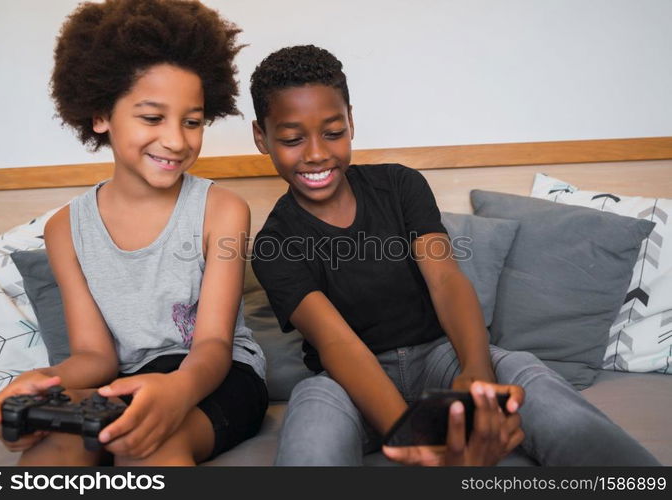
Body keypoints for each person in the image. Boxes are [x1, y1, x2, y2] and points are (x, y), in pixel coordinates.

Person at [248, 45, 661, 466]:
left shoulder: (400, 185)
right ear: (262, 138)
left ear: (351, 121)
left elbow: (445, 281)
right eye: (292, 139)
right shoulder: (274, 244)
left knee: (524, 372)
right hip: (351, 381)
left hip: (439, 357)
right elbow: (337, 343)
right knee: (312, 403)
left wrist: (476, 371)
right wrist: (417, 437)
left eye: (333, 132)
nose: (316, 153)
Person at [0, 0, 267, 466]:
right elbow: (94, 356)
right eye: (153, 118)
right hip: (124, 379)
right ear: (101, 116)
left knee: (155, 447)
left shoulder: (222, 210)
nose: (177, 140)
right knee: (51, 452)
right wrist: (42, 381)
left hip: (220, 376)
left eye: (192, 121)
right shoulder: (64, 230)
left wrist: (176, 391)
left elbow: (214, 345)